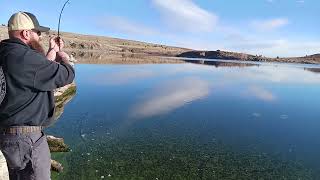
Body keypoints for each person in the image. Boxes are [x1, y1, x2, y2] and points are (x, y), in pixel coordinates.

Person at [0, 11, 75, 180]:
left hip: (9, 137)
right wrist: (63, 56)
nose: (40, 37)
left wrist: (51, 51)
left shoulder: (6, 54)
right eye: (38, 33)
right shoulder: (25, 58)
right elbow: (66, 74)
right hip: (27, 141)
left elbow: (34, 74)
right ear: (26, 33)